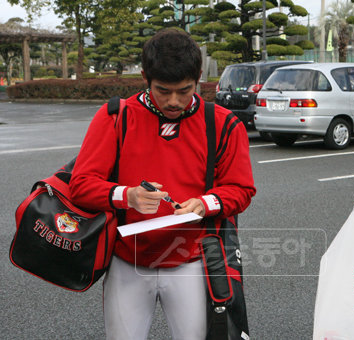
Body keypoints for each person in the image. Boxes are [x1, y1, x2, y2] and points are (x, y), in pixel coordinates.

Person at [69, 28, 256, 340]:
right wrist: (126, 195)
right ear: (145, 77)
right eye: (162, 90)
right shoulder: (117, 116)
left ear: (199, 77)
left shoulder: (224, 123)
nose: (174, 101)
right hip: (126, 260)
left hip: (191, 260)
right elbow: (81, 185)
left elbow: (241, 189)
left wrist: (205, 203)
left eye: (184, 91)